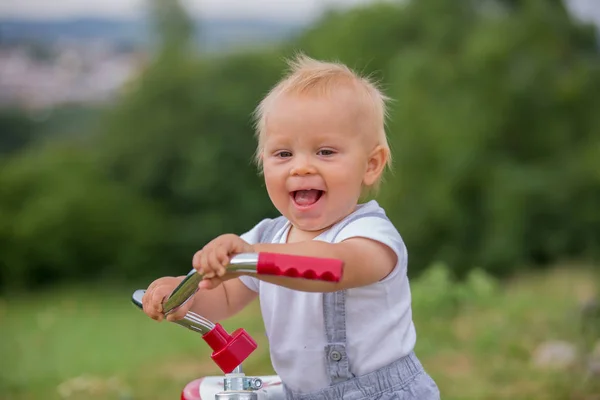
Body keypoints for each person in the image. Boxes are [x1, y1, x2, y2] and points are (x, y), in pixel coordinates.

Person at [142, 54, 440, 399]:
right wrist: (183, 294)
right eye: (283, 154)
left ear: (370, 165)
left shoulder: (371, 235)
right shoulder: (268, 235)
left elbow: (332, 266)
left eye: (325, 152)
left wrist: (253, 257)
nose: (300, 168)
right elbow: (223, 295)